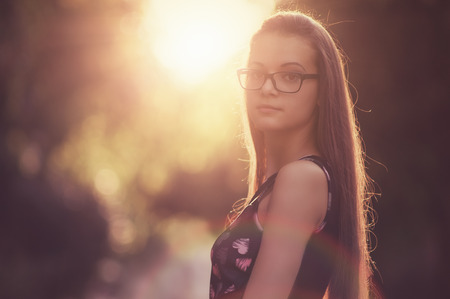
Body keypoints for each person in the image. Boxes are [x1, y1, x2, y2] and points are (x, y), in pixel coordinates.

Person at [209, 11, 375, 299]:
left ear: (323, 90)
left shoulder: (301, 178)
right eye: (257, 73)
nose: (268, 88)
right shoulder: (289, 180)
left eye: (289, 76)